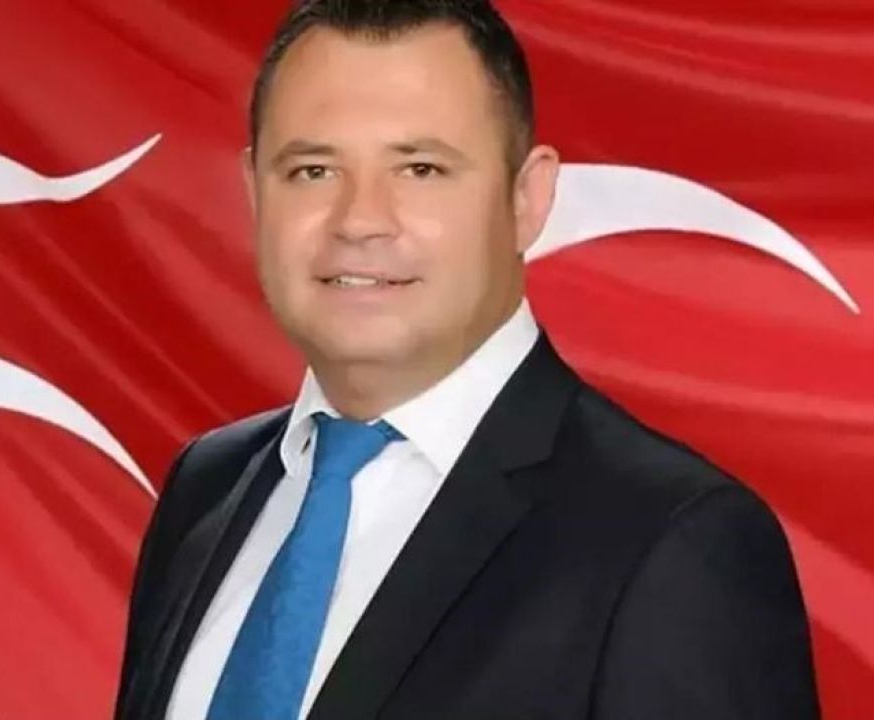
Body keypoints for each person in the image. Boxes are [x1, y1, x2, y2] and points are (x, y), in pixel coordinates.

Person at [114, 1, 820, 718]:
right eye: (313, 170)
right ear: (254, 192)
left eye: (420, 168)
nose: (360, 220)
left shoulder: (673, 543)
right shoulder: (207, 488)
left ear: (528, 198)